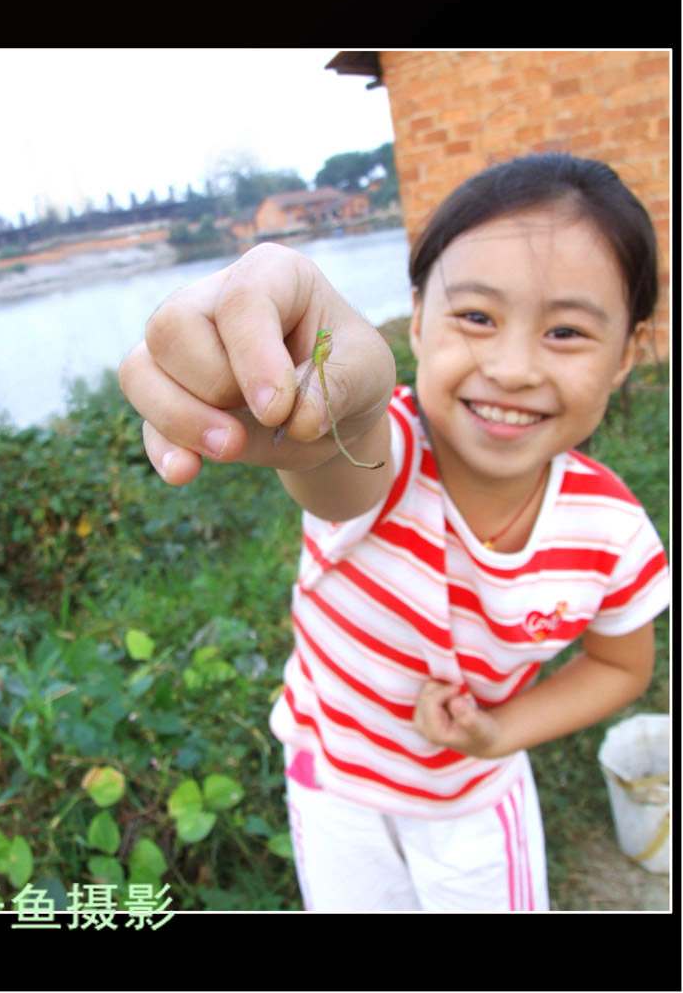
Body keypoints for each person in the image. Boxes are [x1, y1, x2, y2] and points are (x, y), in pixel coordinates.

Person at [119, 153, 669, 912]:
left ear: (626, 356)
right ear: (415, 319)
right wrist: (308, 407)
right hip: (333, 787)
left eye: (567, 331)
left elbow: (620, 666)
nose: (510, 367)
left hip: (474, 801)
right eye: (475, 317)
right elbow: (340, 464)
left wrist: (499, 730)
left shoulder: (615, 536)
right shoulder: (393, 448)